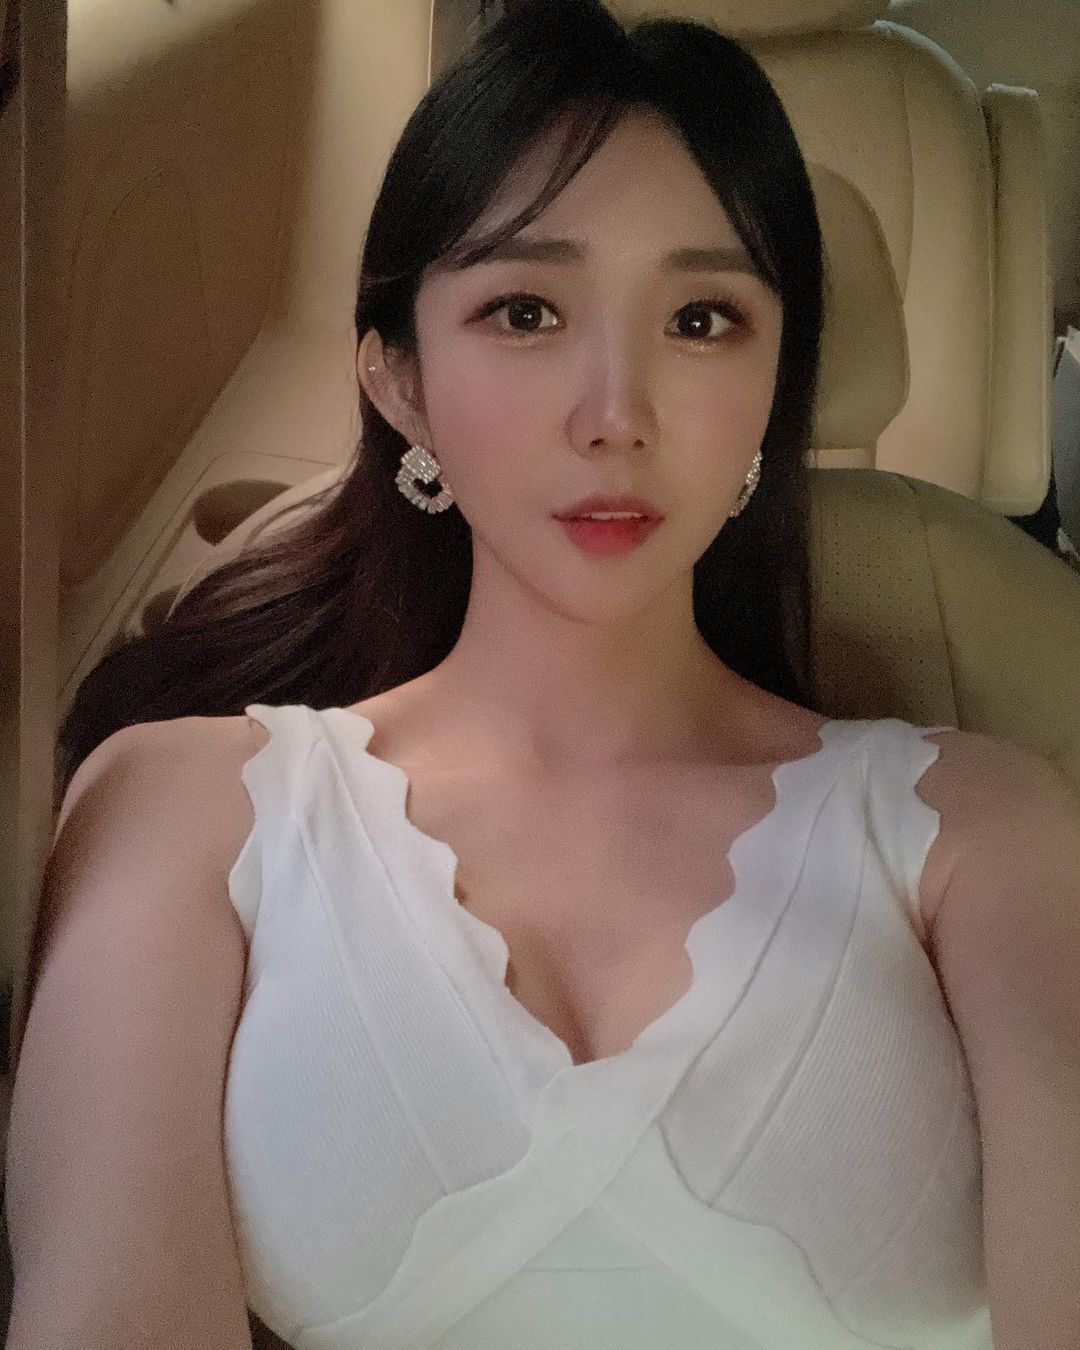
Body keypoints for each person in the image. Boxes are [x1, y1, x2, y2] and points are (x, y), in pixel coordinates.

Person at [6, 1, 1079, 1347]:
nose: (615, 414)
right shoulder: (186, 808)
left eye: (702, 319)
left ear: (775, 388)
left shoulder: (981, 827)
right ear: (399, 382)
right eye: (525, 311)